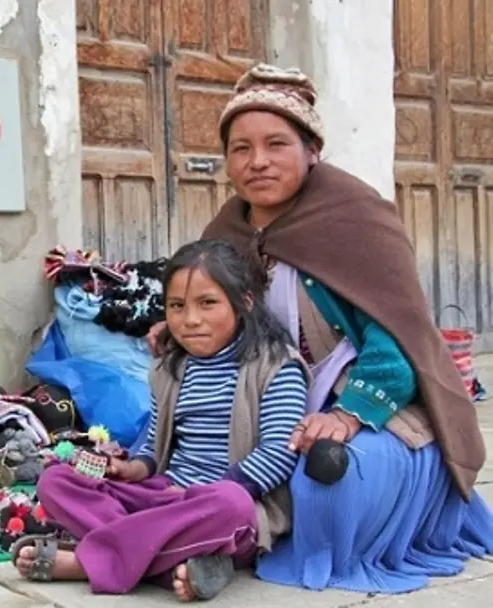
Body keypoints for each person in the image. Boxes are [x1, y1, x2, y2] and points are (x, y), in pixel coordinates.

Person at [146, 63, 493, 593]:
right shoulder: (229, 227)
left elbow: (398, 338)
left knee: (326, 475)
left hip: (371, 400)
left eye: (276, 144)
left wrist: (350, 415)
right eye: (240, 148)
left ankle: (236, 541)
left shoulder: (359, 219)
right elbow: (223, 307)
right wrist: (177, 327)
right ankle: (211, 541)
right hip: (269, 394)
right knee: (170, 445)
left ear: (312, 151)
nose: (257, 161)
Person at [11, 239, 310, 601]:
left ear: (244, 304)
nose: (191, 320)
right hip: (163, 497)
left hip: (218, 507)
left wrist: (193, 496)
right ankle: (176, 565)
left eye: (208, 303)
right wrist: (132, 469)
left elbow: (279, 452)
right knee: (57, 480)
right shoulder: (171, 368)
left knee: (232, 505)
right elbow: (155, 443)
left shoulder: (277, 366)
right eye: (177, 306)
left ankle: (91, 561)